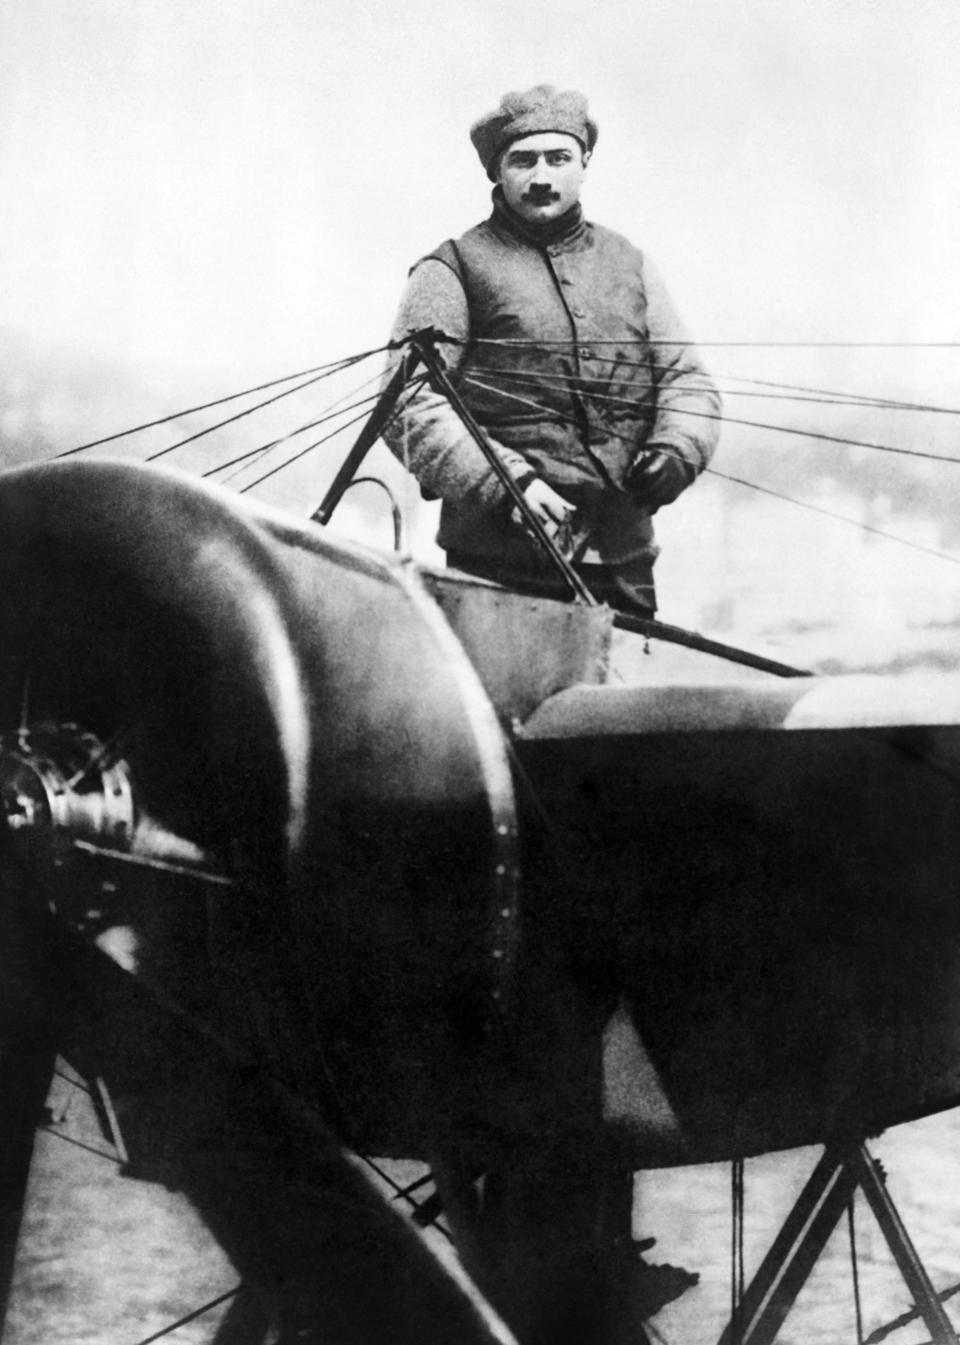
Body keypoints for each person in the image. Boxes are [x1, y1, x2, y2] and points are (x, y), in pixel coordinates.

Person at [383, 83, 721, 616]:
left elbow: (687, 379)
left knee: (616, 699)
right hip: (496, 565)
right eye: (523, 161)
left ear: (584, 163)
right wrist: (506, 483)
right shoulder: (451, 268)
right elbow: (407, 403)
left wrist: (680, 447)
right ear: (497, 172)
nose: (541, 177)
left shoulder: (629, 263)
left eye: (558, 158)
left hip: (621, 556)